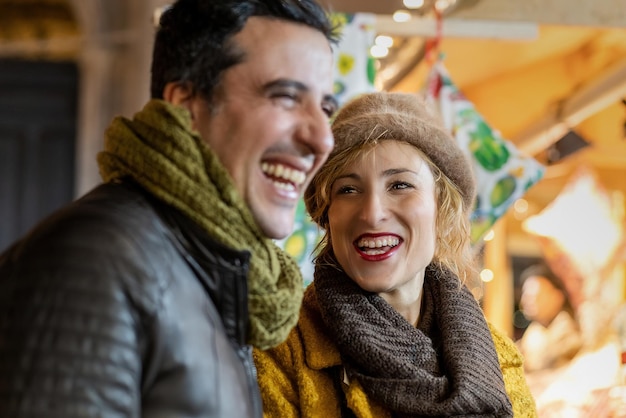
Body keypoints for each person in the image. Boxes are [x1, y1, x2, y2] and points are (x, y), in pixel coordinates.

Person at [0, 0, 339, 416]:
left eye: (326, 108)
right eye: (286, 97)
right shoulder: (94, 261)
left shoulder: (218, 268)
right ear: (185, 105)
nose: (322, 139)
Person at [254, 92, 537, 417]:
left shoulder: (499, 360)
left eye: (400, 185)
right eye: (347, 189)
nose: (372, 214)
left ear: (441, 207)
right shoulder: (283, 351)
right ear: (327, 214)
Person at [518, 262, 583, 373]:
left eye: (535, 295)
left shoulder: (570, 330)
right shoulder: (534, 331)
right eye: (526, 294)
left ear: (558, 296)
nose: (528, 300)